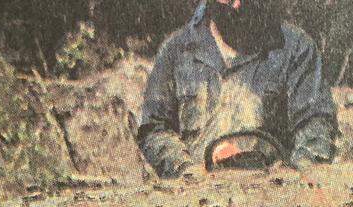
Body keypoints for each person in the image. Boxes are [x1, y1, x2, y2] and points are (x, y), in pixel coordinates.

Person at [137, 0, 336, 178]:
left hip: (270, 195)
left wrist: (297, 176)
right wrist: (186, 171)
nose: (238, 4)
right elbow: (155, 129)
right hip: (196, 198)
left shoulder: (295, 49)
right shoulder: (176, 51)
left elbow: (315, 123)